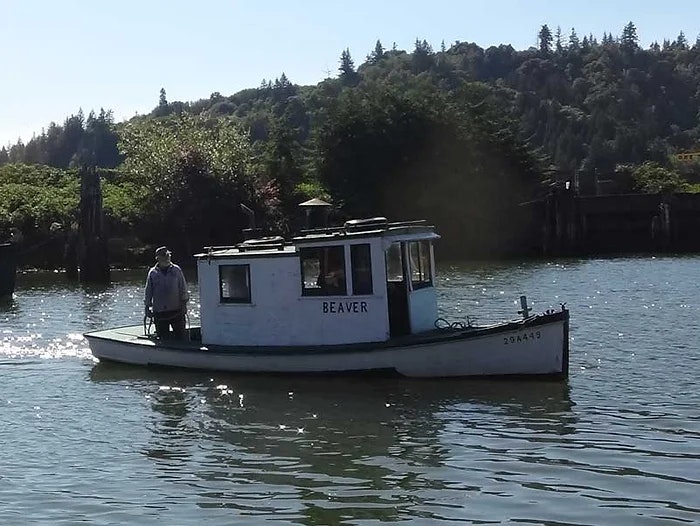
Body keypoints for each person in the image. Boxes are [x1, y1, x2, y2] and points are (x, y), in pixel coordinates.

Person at [144, 246, 189, 340]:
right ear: (158, 258)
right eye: (164, 255)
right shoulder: (152, 273)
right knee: (163, 339)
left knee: (181, 338)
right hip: (159, 312)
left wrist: (184, 304)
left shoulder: (177, 270)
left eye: (168, 255)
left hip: (177, 311)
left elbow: (183, 288)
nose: (167, 257)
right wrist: (147, 307)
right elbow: (148, 291)